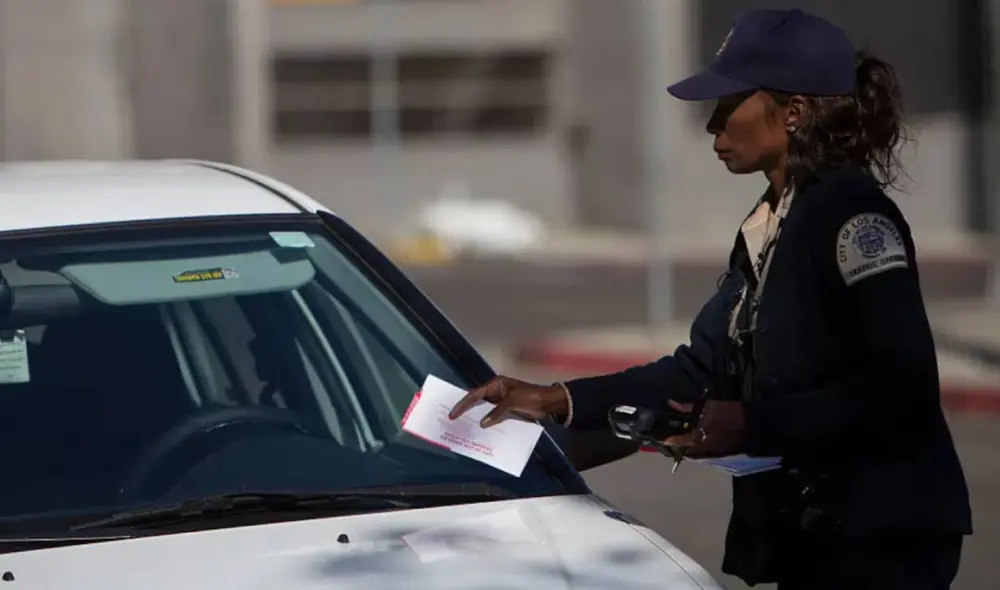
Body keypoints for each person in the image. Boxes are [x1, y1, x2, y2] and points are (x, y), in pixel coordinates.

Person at [448, 8, 972, 590]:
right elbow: (699, 369)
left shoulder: (853, 218)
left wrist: (754, 422)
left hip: (881, 538)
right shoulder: (771, 219)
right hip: (816, 532)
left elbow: (901, 387)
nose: (712, 127)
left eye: (729, 106)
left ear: (793, 112)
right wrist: (554, 399)